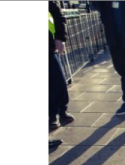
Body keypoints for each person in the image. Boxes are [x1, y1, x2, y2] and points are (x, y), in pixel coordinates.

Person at [49, 1, 74, 131]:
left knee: (58, 79)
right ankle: (51, 115)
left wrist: (60, 37)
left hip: (48, 46)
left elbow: (57, 16)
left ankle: (62, 110)